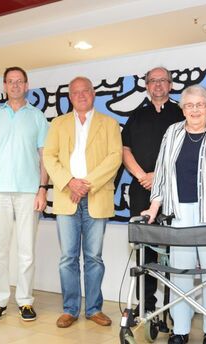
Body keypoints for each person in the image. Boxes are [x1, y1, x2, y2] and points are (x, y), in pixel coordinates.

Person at [142, 85, 206, 344]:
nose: (195, 110)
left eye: (200, 105)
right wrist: (154, 207)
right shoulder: (172, 132)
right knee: (180, 273)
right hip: (179, 213)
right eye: (189, 105)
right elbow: (162, 175)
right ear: (183, 109)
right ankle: (180, 332)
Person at [43, 76, 122, 328]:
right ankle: (70, 309)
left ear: (93, 93)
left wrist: (85, 183)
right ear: (69, 97)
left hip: (97, 197)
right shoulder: (58, 123)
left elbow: (115, 157)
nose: (80, 95)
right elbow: (49, 156)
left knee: (93, 257)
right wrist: (69, 182)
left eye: (85, 91)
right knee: (68, 257)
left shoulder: (109, 123)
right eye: (75, 92)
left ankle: (94, 309)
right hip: (67, 197)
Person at [0, 67, 49, 322]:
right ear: (4, 85)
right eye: (11, 82)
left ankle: (25, 301)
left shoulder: (38, 117)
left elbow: (45, 156)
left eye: (20, 81)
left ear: (27, 85)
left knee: (26, 250)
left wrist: (42, 189)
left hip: (29, 192)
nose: (15, 85)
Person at [122, 66, 184, 314]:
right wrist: (141, 176)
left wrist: (158, 176)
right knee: (145, 251)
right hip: (141, 191)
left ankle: (173, 310)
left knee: (174, 251)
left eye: (163, 81)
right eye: (153, 81)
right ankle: (146, 305)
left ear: (170, 85)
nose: (158, 85)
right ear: (146, 86)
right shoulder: (136, 116)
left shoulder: (182, 113)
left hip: (174, 192)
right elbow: (124, 149)